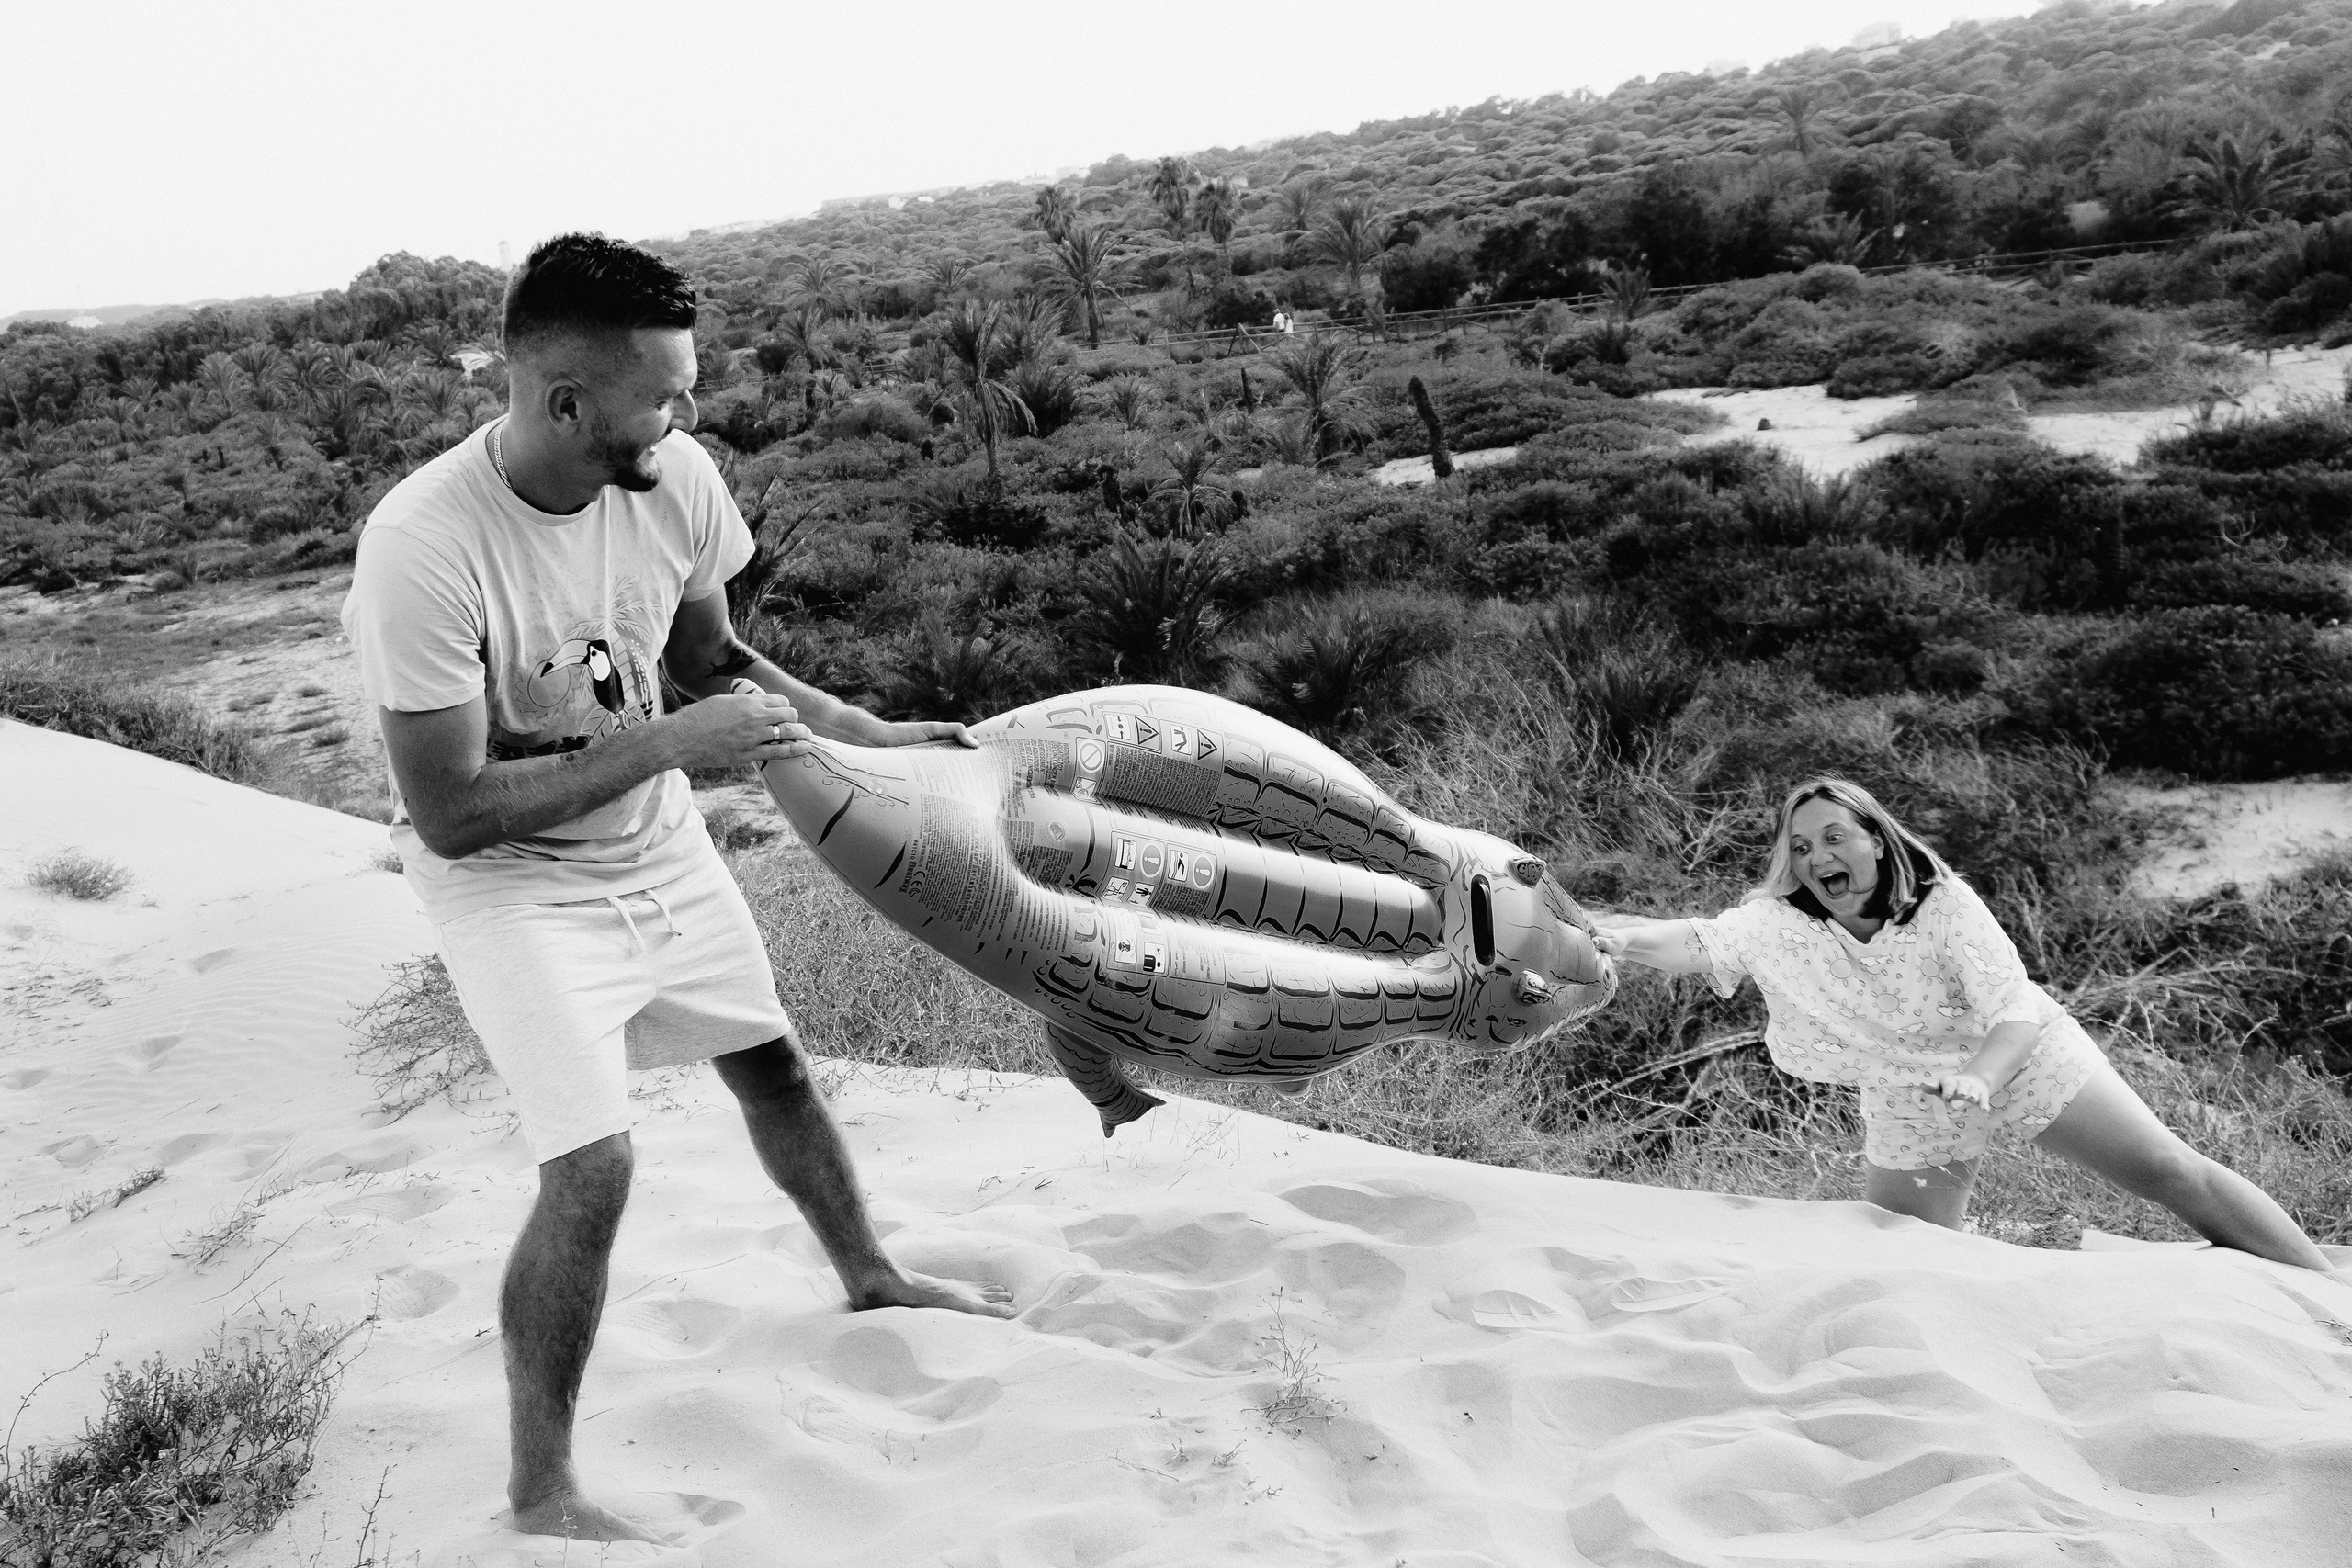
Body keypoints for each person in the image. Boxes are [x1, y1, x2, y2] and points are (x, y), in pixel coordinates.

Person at [341, 233, 1014, 1546]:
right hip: (514, 883)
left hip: (655, 840)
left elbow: (711, 658)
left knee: (776, 1070)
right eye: (663, 392)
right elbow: (453, 812)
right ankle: (543, 1489)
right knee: (592, 1167)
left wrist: (861, 729)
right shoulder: (422, 546)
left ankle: (871, 1273)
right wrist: (660, 746)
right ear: (563, 403)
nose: (689, 413)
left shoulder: (677, 477)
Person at [1592, 776, 2337, 1275]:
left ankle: (2319, 1290)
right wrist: (1616, 937)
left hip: (2019, 1056)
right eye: (1801, 845)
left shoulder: (1942, 903)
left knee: (2168, 1171)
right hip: (1912, 1091)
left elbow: (2013, 1008)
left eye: (1835, 836)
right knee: (1911, 1252)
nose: (1819, 855)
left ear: (1877, 840)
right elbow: (1697, 941)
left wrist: (1979, 1076)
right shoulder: (1777, 924)